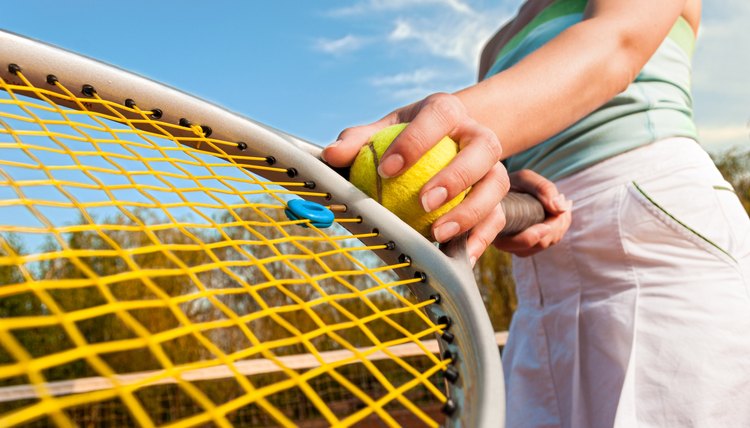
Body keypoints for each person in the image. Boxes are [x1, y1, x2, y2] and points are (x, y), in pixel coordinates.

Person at [322, 0, 750, 426]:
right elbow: (504, 141)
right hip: (541, 273)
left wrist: (439, 125)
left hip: (654, 230)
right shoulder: (495, 45)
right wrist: (507, 188)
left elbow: (612, 50)